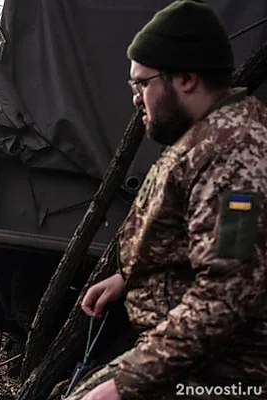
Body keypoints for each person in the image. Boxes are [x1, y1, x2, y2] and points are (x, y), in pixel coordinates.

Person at [61, 2, 267, 400]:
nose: (136, 98)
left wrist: (124, 385)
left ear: (186, 79)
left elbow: (229, 292)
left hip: (221, 375)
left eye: (142, 84)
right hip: (190, 359)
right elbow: (203, 244)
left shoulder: (236, 153)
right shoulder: (208, 137)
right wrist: (130, 277)